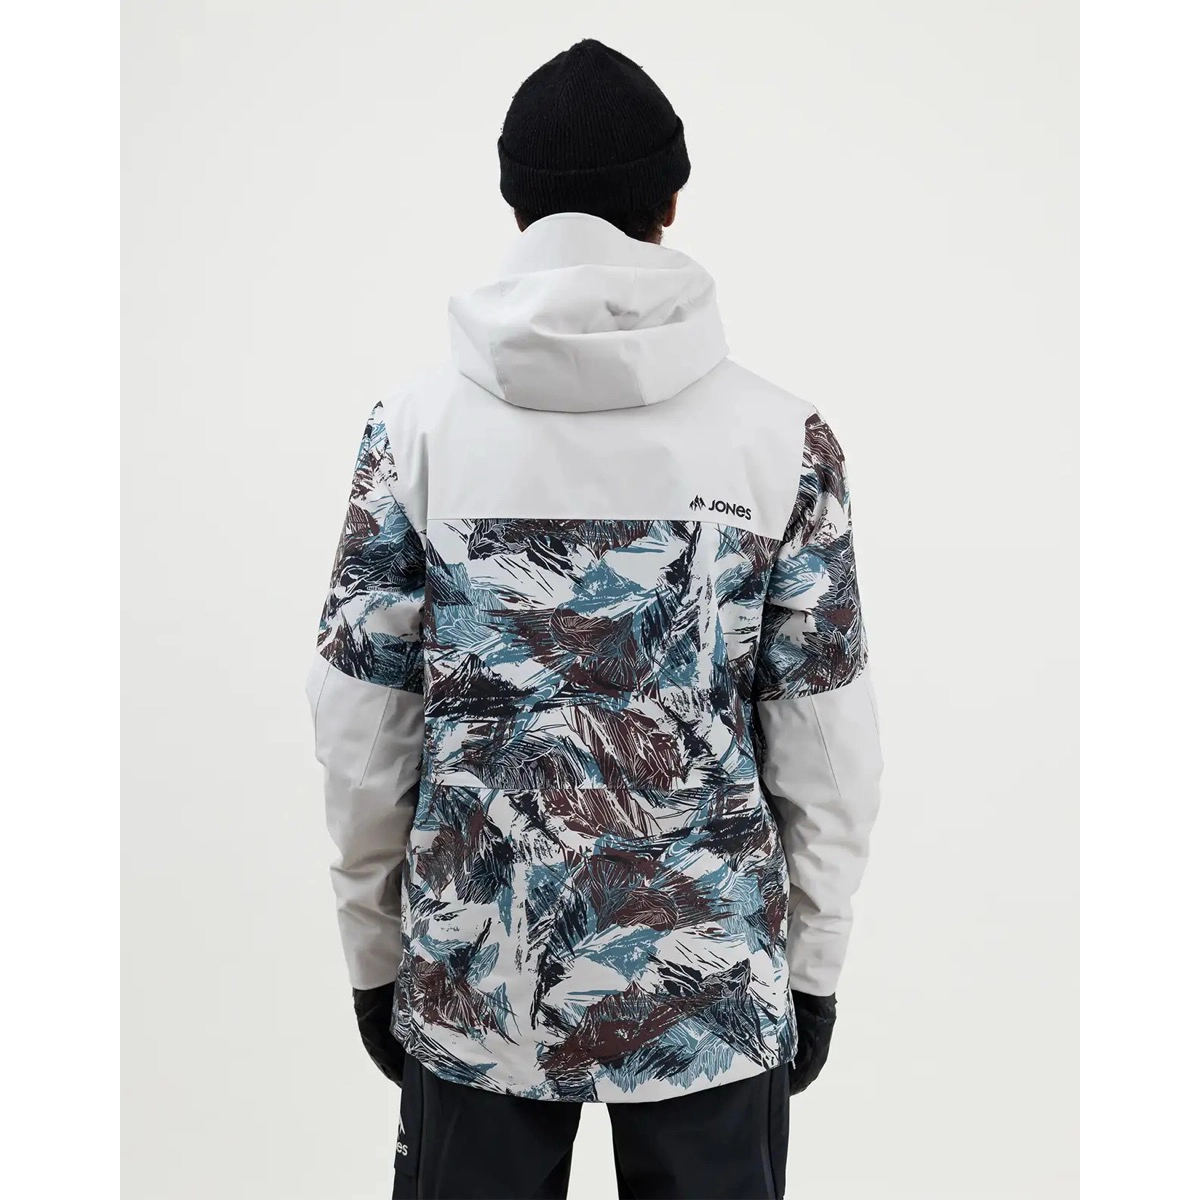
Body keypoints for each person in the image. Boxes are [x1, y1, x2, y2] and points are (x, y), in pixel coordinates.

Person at [307, 38, 883, 1200]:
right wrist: (812, 965)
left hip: (477, 976)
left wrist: (376, 953)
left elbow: (361, 731)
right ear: (671, 201)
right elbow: (826, 744)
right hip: (709, 984)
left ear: (514, 200)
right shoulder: (783, 439)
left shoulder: (412, 432)